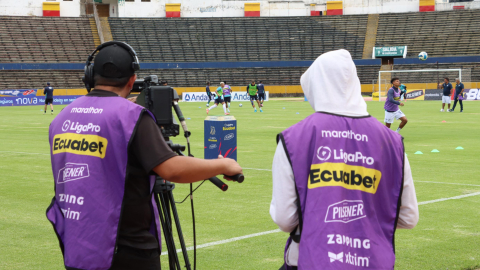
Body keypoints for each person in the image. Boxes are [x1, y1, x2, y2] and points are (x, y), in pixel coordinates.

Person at [46, 42, 242, 270]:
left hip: (78, 241)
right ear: (131, 80)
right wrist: (223, 165)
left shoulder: (63, 115)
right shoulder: (131, 116)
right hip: (126, 248)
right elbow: (172, 169)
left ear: (90, 77)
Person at [270, 49, 418, 270]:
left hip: (310, 260)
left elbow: (285, 219)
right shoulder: (393, 142)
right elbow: (408, 217)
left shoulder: (293, 138)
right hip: (374, 261)